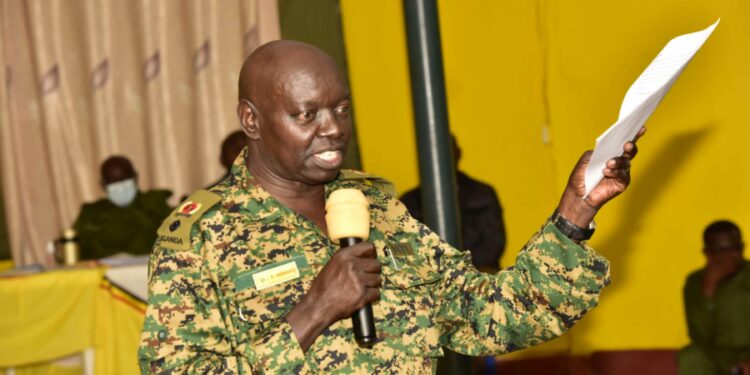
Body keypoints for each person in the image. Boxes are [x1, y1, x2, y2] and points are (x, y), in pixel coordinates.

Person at [138, 40, 643, 373]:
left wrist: (575, 211)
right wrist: (313, 312)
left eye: (340, 107)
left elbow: (491, 313)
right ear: (251, 119)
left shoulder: (375, 206)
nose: (333, 127)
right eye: (306, 113)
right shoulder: (201, 237)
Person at [401, 135, 506, 273]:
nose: (441, 160)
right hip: (428, 279)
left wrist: (458, 271)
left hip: (477, 275)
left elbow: (493, 246)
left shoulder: (482, 194)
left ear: (458, 153)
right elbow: (403, 250)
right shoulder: (408, 202)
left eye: (447, 152)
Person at [678, 220, 750, 375]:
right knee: (691, 356)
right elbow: (698, 335)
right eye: (721, 250)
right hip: (718, 357)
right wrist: (709, 287)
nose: (730, 256)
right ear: (707, 252)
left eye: (735, 248)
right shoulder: (696, 282)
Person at [73, 156, 172, 259]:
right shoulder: (90, 213)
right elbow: (74, 252)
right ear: (103, 184)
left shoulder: (156, 204)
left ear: (135, 177)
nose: (119, 186)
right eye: (113, 182)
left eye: (123, 179)